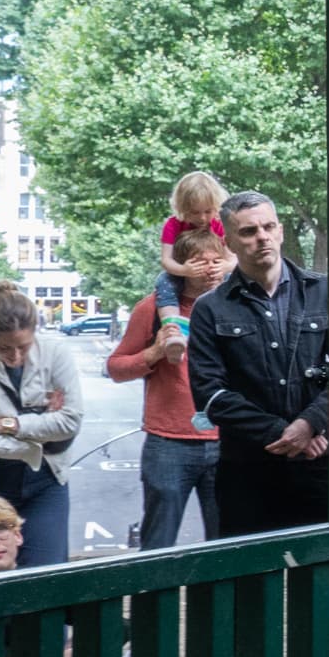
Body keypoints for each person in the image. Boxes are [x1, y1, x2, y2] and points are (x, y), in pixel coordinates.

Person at [181, 192, 329, 537]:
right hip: (246, 472)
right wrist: (284, 432)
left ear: (279, 231)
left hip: (320, 465)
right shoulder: (210, 308)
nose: (261, 237)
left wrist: (310, 423)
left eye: (268, 227)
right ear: (228, 241)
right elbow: (210, 394)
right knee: (245, 585)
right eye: (248, 231)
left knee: (320, 581)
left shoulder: (325, 293)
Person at [0, 283, 86, 567]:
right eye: (4, 348)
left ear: (36, 330)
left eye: (24, 346)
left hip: (45, 481)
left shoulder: (56, 353)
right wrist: (36, 440)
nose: (15, 357)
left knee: (46, 576)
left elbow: (70, 420)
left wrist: (9, 423)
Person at [108, 227, 230, 547]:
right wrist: (154, 353)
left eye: (217, 261)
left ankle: (218, 600)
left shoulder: (239, 304)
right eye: (200, 262)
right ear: (181, 267)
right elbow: (116, 368)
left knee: (229, 545)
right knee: (157, 544)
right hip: (168, 444)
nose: (210, 269)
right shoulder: (152, 309)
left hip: (230, 440)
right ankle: (153, 596)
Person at [153, 169, 228, 315]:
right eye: (195, 212)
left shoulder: (221, 224)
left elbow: (232, 259)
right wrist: (183, 271)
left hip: (217, 272)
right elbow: (166, 260)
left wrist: (223, 268)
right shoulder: (173, 225)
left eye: (208, 211)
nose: (202, 218)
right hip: (182, 273)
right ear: (183, 208)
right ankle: (172, 325)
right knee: (163, 281)